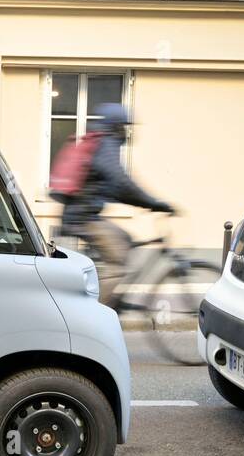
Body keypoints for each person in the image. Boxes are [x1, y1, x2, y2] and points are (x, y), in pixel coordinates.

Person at [51, 103, 174, 310]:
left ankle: (109, 292)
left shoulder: (100, 144)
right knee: (117, 263)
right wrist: (154, 203)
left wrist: (145, 203)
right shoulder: (106, 145)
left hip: (83, 215)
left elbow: (116, 188)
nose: (127, 131)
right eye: (125, 126)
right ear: (116, 126)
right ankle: (96, 311)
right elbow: (120, 183)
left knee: (125, 239)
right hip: (82, 218)